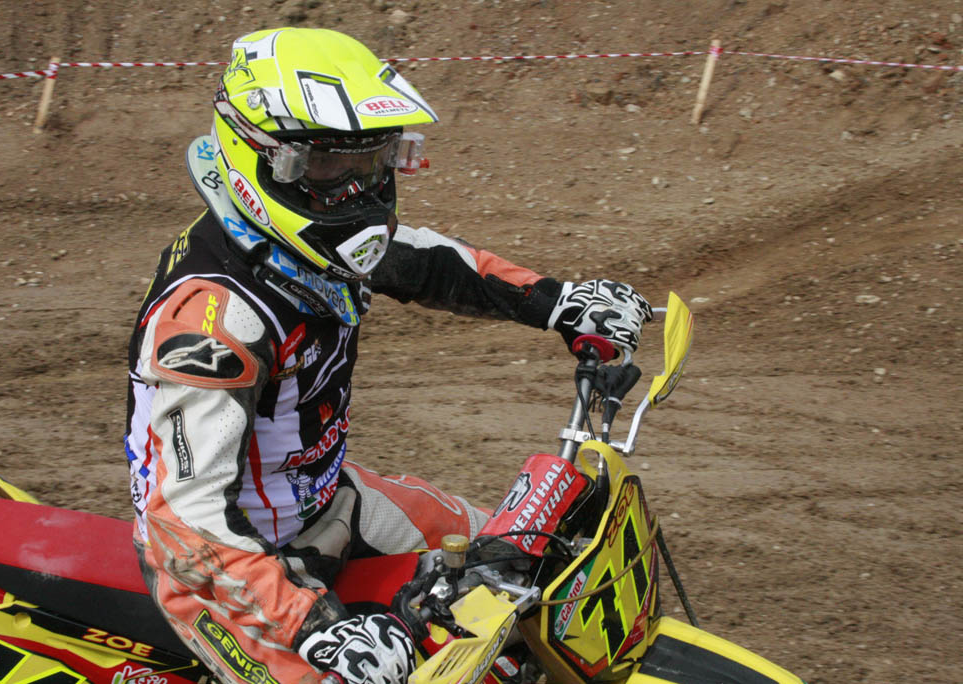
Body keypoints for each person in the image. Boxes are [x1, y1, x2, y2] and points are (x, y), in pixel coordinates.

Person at [124, 26, 652, 684]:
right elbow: (184, 519)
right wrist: (316, 628)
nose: (358, 192)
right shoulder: (213, 319)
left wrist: (560, 301)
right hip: (227, 576)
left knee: (520, 565)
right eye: (329, 166)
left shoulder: (306, 246)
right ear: (263, 156)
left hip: (323, 503)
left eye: (374, 161)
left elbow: (430, 263)